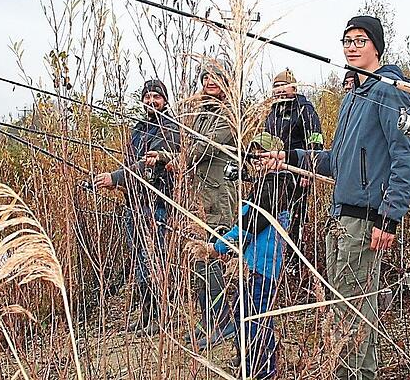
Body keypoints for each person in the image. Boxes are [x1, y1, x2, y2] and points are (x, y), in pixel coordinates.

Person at [270, 16, 410, 379]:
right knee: (348, 306)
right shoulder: (353, 97)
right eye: (347, 41)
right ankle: (357, 372)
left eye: (360, 40)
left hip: (366, 218)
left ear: (377, 47)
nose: (352, 47)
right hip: (340, 216)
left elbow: (406, 158)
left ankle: (352, 373)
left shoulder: (389, 91)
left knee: (351, 308)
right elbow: (335, 161)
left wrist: (389, 217)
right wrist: (289, 157)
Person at [187, 132, 299, 379]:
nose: (257, 159)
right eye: (254, 155)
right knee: (242, 312)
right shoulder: (265, 184)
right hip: (253, 264)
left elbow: (248, 225)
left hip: (263, 267)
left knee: (254, 318)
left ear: (278, 157)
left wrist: (216, 247)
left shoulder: (275, 186)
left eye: (263, 154)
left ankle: (263, 370)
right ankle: (249, 361)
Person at [93, 79, 180, 335]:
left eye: (157, 97)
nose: (151, 101)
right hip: (134, 203)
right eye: (147, 97)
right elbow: (130, 164)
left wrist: (115, 177)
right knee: (140, 261)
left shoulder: (170, 128)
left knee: (154, 259)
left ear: (165, 100)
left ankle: (161, 317)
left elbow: (147, 165)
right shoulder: (139, 128)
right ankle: (145, 314)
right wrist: (118, 184)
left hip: (157, 204)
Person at [162, 62, 238, 349]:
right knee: (199, 259)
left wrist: (182, 159)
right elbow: (188, 147)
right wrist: (165, 157)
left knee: (214, 256)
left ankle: (222, 321)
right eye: (205, 77)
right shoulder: (200, 113)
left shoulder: (229, 112)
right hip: (199, 197)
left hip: (219, 197)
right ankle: (209, 319)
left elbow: (208, 144)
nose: (209, 82)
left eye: (216, 77)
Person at [263, 68, 324, 262]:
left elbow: (315, 141)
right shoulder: (272, 112)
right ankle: (275, 259)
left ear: (294, 88)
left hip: (297, 173)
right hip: (275, 174)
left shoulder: (304, 110)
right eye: (276, 86)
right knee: (272, 215)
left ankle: (294, 261)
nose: (280, 90)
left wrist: (308, 171)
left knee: (294, 218)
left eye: (284, 86)